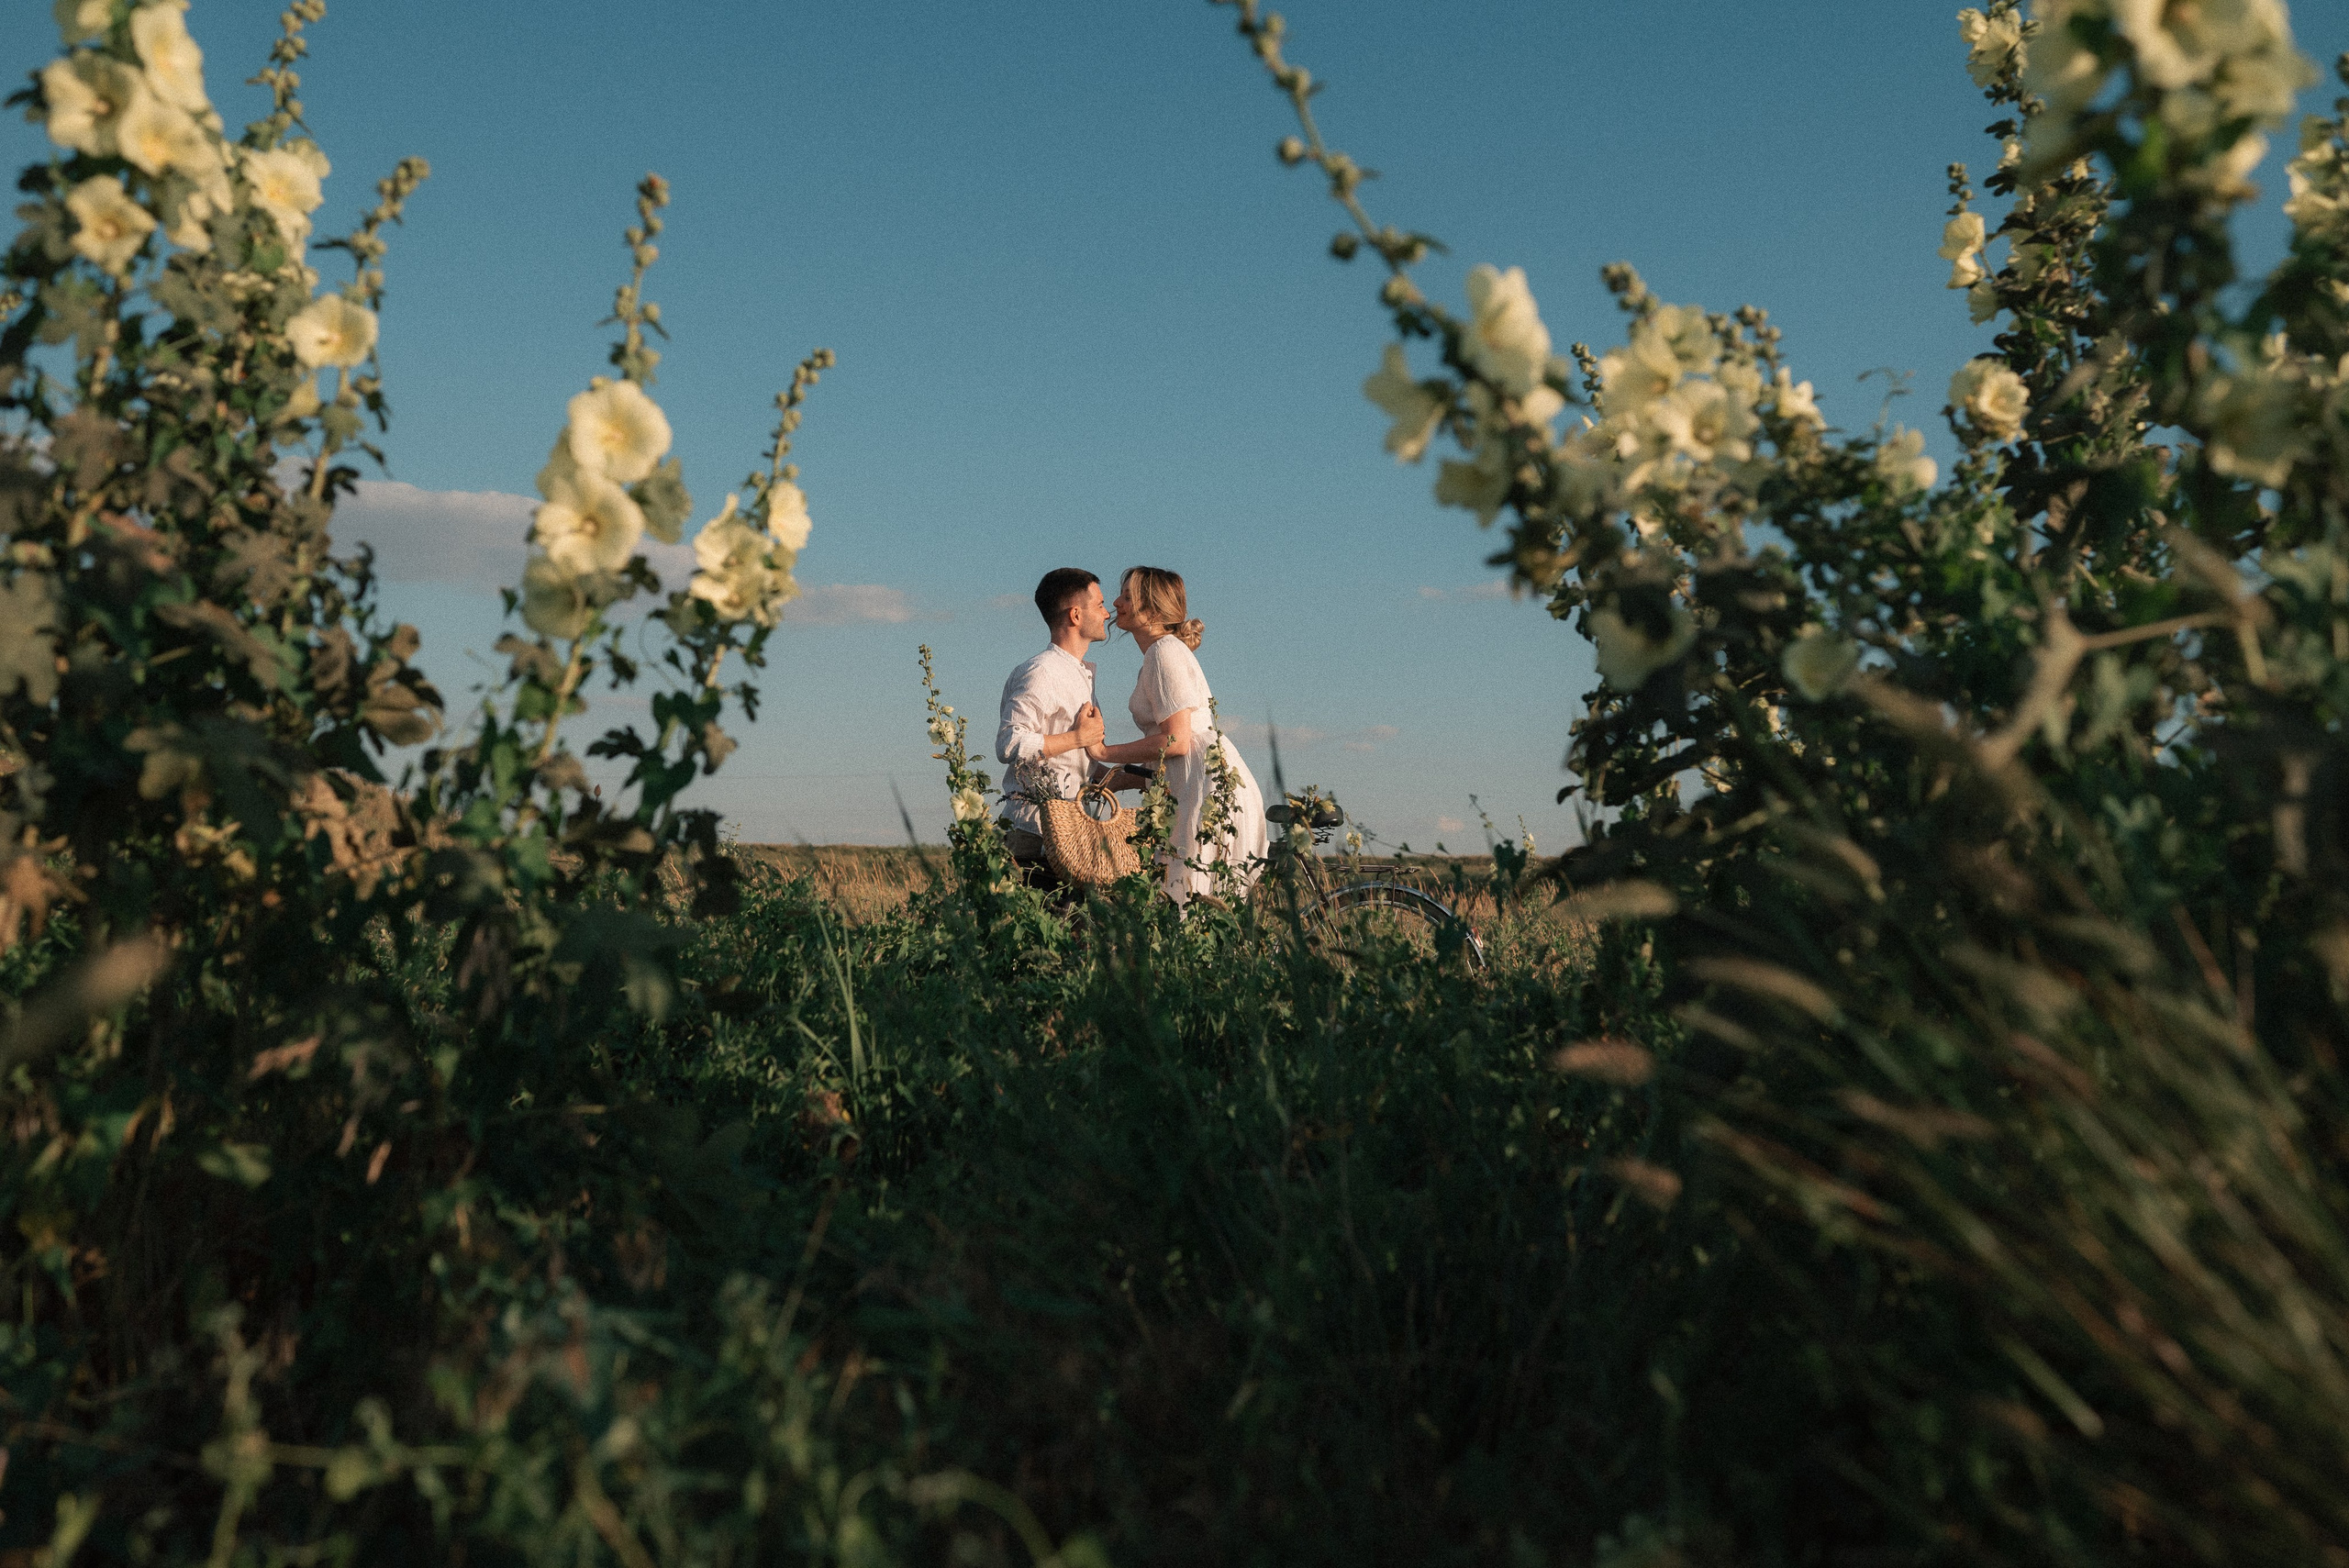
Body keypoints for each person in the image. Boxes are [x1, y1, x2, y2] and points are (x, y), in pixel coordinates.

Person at [1088, 566, 1269, 905]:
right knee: (1187, 906)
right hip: (1196, 783)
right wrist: (1117, 778)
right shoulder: (1160, 653)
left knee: (1188, 903)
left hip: (1206, 788)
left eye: (1128, 596)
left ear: (1153, 610)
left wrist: (1103, 751)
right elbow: (1170, 755)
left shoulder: (1163, 652)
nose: (1116, 602)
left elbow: (1177, 741)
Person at [995, 567, 1109, 886]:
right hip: (1032, 836)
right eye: (1099, 604)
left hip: (1069, 835)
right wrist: (1077, 737)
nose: (1107, 612)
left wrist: (1138, 779)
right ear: (1075, 615)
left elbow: (1071, 766)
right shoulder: (1042, 672)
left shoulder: (1078, 674)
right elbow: (1009, 742)